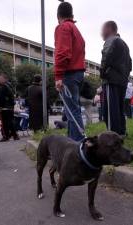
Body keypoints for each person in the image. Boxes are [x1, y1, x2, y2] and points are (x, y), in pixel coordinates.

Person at [54, 2, 86, 142]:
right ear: (72, 15)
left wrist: (58, 76)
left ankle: (77, 143)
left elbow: (62, 53)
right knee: (74, 109)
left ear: (58, 16)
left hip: (69, 73)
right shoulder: (76, 29)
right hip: (78, 73)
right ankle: (72, 140)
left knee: (72, 111)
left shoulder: (63, 27)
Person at [100, 21, 132, 136]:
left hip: (111, 80)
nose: (101, 33)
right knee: (119, 108)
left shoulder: (111, 40)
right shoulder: (124, 44)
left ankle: (112, 136)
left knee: (109, 109)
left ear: (109, 29)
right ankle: (121, 132)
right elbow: (130, 64)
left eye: (102, 30)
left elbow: (106, 57)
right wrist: (124, 76)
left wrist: (103, 74)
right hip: (122, 81)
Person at [0, 73, 19, 142]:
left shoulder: (3, 87)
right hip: (10, 107)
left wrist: (0, 105)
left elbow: (1, 98)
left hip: (5, 108)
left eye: (0, 79)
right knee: (10, 122)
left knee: (5, 123)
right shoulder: (10, 85)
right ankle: (15, 135)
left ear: (5, 79)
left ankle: (6, 136)